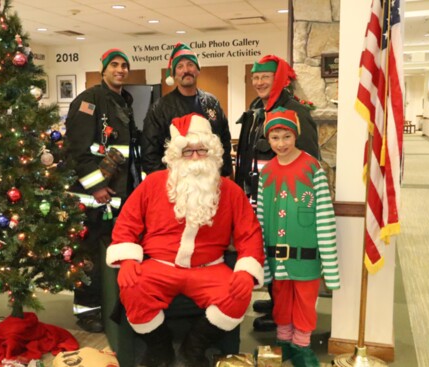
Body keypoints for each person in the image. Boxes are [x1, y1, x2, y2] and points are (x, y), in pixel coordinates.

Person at [106, 113, 264, 367]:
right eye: (187, 151)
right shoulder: (153, 184)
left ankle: (193, 348)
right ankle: (160, 347)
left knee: (237, 294)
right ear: (175, 156)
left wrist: (246, 272)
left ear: (212, 153)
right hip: (159, 266)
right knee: (133, 287)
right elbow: (127, 223)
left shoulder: (230, 191)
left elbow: (250, 235)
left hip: (209, 268)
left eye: (200, 151)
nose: (194, 158)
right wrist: (125, 260)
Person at [234, 54, 320, 332]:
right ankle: (274, 301)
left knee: (283, 252)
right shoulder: (256, 108)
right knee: (267, 247)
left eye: (265, 77)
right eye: (255, 77)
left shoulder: (296, 111)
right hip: (258, 190)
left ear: (279, 79)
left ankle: (283, 311)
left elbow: (308, 158)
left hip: (284, 197)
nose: (259, 82)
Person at [64, 48, 142, 333]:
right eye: (115, 66)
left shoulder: (122, 102)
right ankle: (87, 310)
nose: (120, 70)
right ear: (104, 70)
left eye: (124, 66)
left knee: (110, 255)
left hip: (116, 196)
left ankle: (109, 305)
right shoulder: (88, 101)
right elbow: (77, 150)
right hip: (92, 196)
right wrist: (97, 186)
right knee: (89, 257)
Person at [256, 107, 340, 366]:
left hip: (307, 257)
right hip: (277, 256)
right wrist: (260, 258)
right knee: (280, 300)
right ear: (268, 140)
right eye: (275, 137)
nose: (281, 144)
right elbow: (260, 217)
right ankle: (284, 343)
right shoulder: (266, 172)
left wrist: (330, 265)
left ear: (296, 136)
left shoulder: (312, 168)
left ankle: (302, 345)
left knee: (304, 300)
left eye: (286, 137)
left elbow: (325, 216)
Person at [142, 42, 233, 177]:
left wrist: (225, 174)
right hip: (176, 184)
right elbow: (150, 154)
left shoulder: (212, 103)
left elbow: (224, 142)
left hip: (211, 181)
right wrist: (166, 182)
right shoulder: (160, 108)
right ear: (173, 74)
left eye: (190, 65)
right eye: (180, 66)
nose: (186, 70)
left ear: (198, 70)